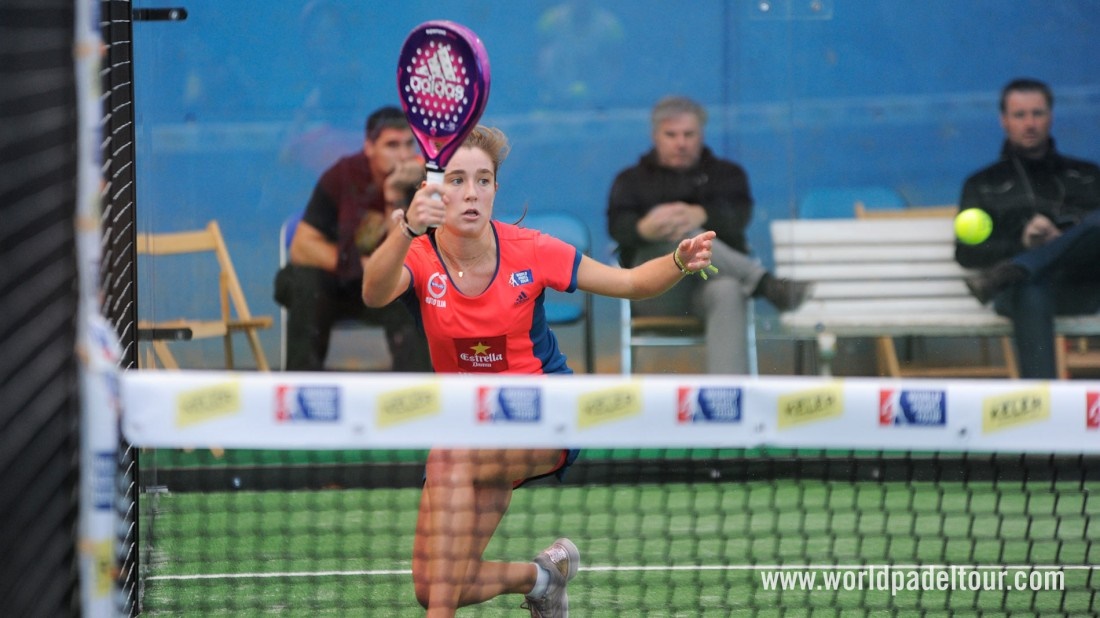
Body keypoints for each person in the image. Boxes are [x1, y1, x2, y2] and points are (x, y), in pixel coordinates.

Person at [361, 126, 718, 616]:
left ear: (495, 190)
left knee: (449, 460)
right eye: (458, 180)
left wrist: (678, 259)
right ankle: (542, 577)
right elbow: (374, 293)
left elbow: (631, 282)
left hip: (544, 415)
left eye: (483, 181)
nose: (471, 193)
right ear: (433, 190)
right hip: (469, 427)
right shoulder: (420, 257)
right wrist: (404, 229)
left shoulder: (531, 249)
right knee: (435, 583)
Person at [607, 95, 811, 374]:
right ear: (656, 136)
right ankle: (764, 283)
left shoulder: (727, 175)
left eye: (689, 134)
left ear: (701, 134)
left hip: (710, 289)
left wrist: (703, 216)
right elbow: (616, 227)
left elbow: (740, 218)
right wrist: (644, 228)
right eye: (671, 135)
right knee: (682, 234)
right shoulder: (630, 180)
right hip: (659, 292)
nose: (681, 142)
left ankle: (727, 399)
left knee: (727, 288)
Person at [957, 78, 1100, 379]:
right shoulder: (983, 183)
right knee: (1031, 287)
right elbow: (966, 252)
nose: (1030, 123)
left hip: (1084, 288)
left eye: (1037, 113)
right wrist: (1022, 242)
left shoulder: (1087, 175)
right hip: (1024, 293)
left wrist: (1067, 238)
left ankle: (1017, 268)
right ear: (1004, 120)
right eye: (1020, 115)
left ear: (1051, 116)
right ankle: (1042, 402)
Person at [274, 106, 432, 371]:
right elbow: (302, 247)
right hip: (339, 284)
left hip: (389, 288)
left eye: (408, 145)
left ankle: (418, 397)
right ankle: (299, 392)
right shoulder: (342, 176)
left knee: (414, 299)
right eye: (392, 145)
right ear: (369, 147)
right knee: (304, 284)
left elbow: (419, 254)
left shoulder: (424, 184)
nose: (403, 155)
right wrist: (359, 264)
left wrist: (394, 195)